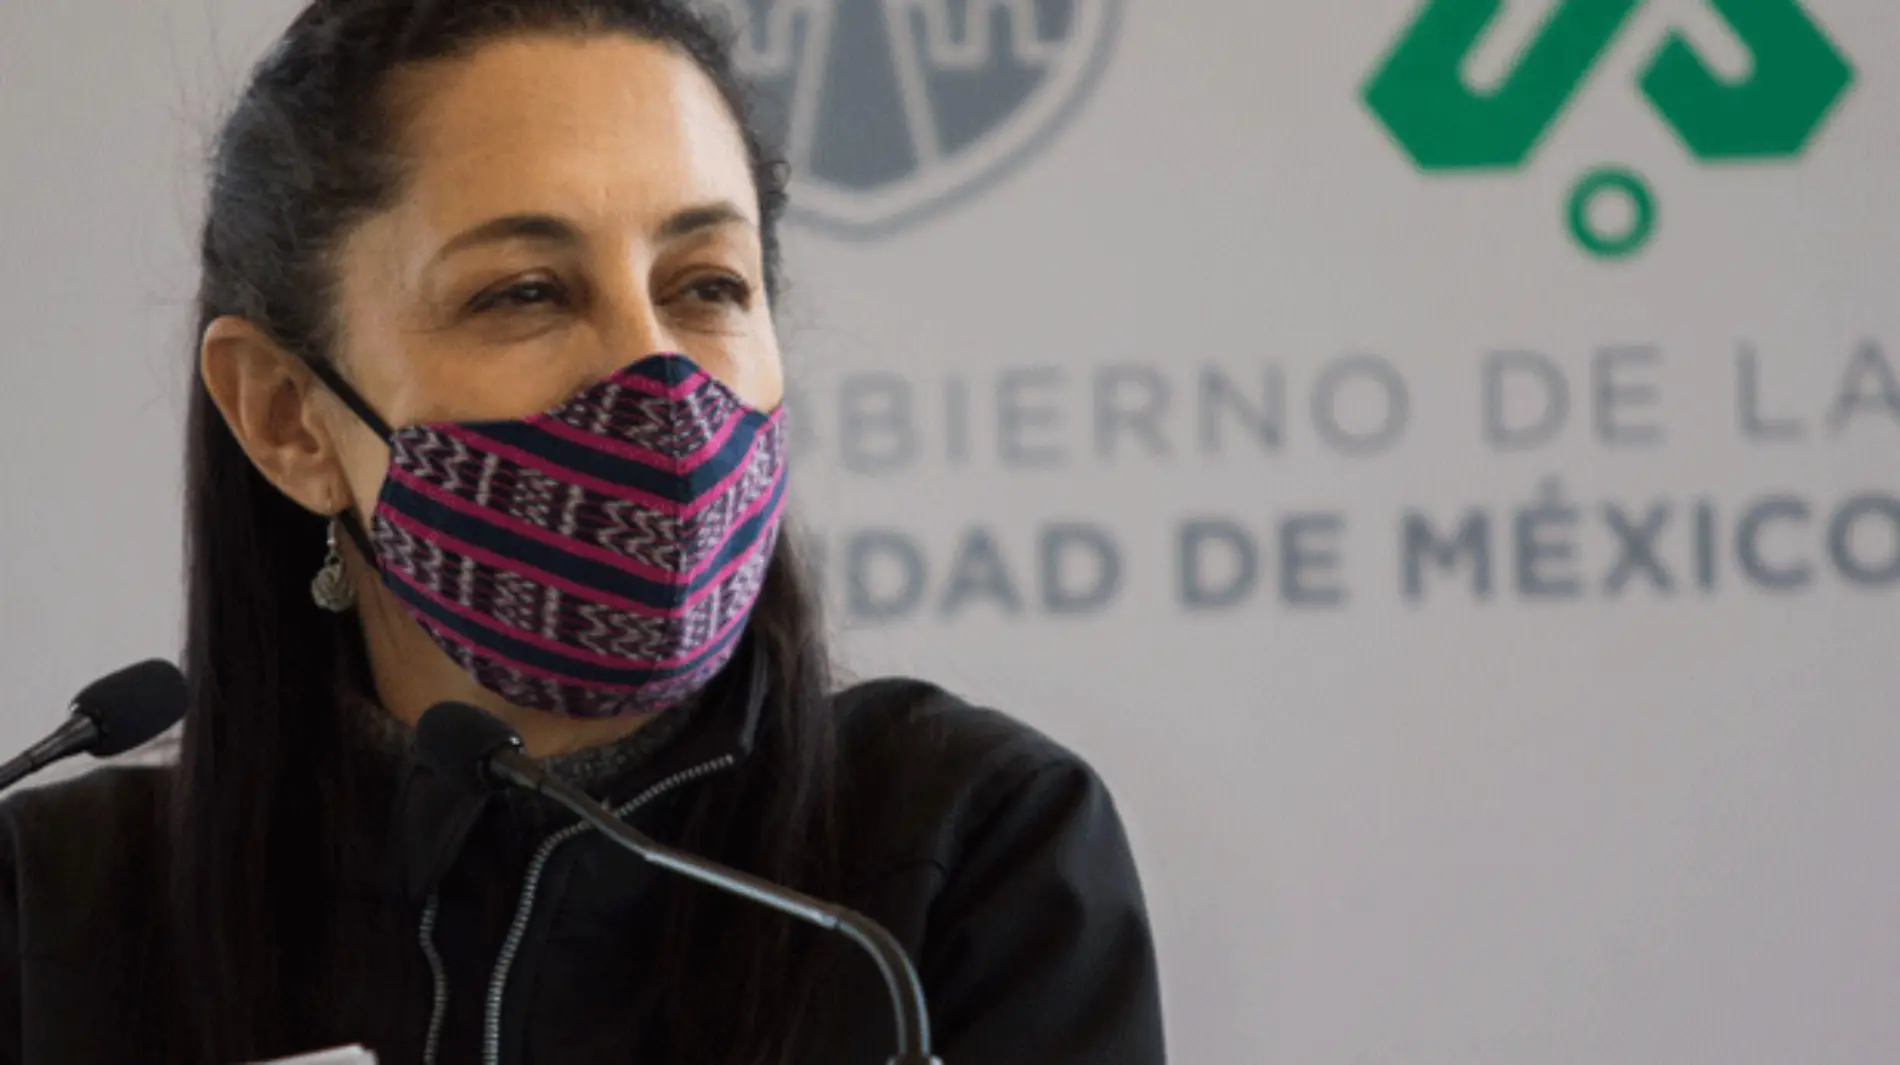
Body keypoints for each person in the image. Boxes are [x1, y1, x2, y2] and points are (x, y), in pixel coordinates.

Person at [0, 2, 1165, 1063]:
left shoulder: (965, 849)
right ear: (287, 416)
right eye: (525, 292)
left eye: (706, 285)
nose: (653, 373)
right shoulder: (54, 912)